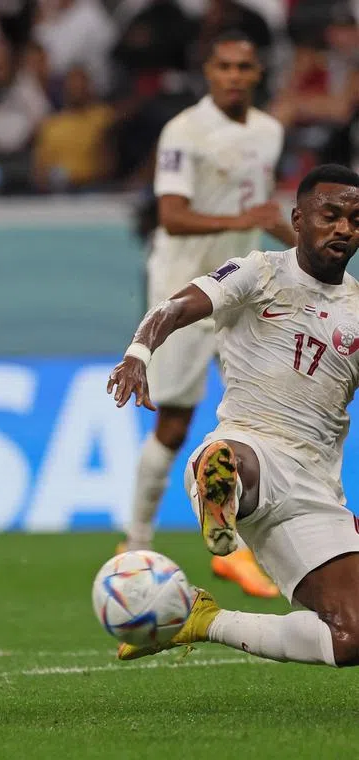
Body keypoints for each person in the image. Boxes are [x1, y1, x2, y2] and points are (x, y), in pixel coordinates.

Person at [107, 164, 359, 669]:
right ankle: (220, 487)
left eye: (355, 220)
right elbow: (174, 307)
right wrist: (138, 352)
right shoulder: (259, 271)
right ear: (298, 220)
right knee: (233, 459)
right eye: (330, 216)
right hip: (252, 445)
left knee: (350, 637)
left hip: (315, 489)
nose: (344, 229)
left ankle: (201, 619)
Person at [120, 29, 295, 598]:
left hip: (241, 290)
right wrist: (245, 220)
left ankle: (239, 549)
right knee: (173, 424)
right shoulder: (185, 131)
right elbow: (171, 215)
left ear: (258, 73)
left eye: (244, 67)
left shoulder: (268, 131)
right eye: (224, 66)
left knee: (260, 416)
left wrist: (295, 245)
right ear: (209, 72)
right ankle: (135, 542)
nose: (234, 76)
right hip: (183, 292)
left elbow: (260, 210)